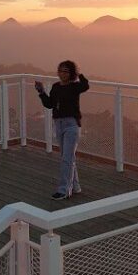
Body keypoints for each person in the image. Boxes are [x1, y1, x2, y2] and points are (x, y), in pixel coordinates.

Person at [35, 60, 90, 200]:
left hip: (72, 124)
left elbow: (85, 85)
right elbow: (50, 104)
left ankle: (64, 190)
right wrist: (41, 92)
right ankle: (76, 186)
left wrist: (79, 74)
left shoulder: (75, 86)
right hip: (58, 123)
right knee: (67, 157)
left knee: (67, 158)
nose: (62, 73)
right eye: (60, 70)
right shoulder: (55, 87)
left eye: (66, 71)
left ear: (71, 73)